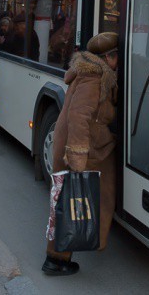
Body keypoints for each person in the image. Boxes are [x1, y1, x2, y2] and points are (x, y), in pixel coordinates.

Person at [43, 32, 119, 276]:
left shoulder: (88, 73)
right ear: (108, 58)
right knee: (75, 201)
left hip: (87, 146)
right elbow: (79, 116)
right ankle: (56, 260)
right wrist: (77, 157)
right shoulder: (94, 77)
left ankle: (57, 257)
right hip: (87, 149)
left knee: (68, 201)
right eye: (117, 56)